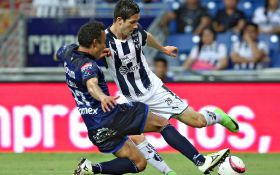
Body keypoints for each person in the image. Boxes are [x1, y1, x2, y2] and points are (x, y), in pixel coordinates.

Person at [55, 21, 230, 175]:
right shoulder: (88, 67)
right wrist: (102, 97)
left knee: (139, 163)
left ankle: (91, 169)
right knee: (162, 124)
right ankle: (201, 161)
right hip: (111, 116)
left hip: (95, 128)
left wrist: (94, 54)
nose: (104, 46)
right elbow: (91, 84)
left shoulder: (68, 52)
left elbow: (58, 54)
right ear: (94, 43)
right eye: (102, 42)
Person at [104, 0, 239, 174]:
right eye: (132, 22)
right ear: (119, 20)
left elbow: (146, 36)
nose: (136, 25)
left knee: (197, 121)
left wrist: (162, 49)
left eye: (137, 21)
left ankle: (217, 116)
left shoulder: (136, 31)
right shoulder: (104, 40)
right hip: (128, 97)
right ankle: (169, 172)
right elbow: (86, 54)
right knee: (137, 137)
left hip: (154, 90)